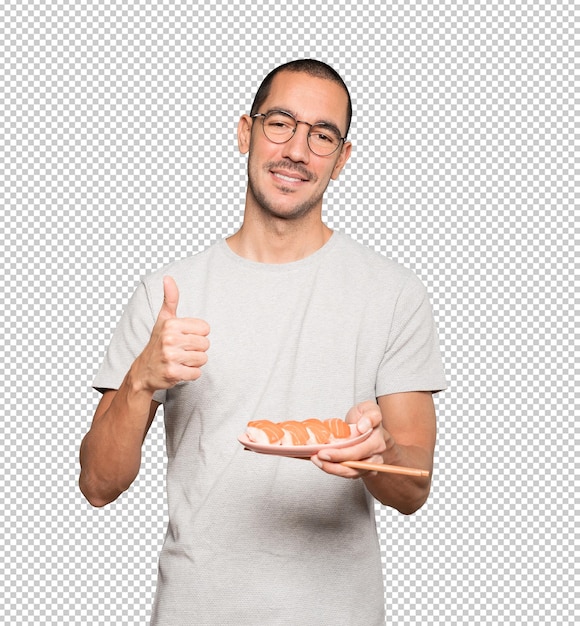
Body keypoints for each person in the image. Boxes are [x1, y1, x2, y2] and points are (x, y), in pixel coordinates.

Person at [79, 59, 447, 625]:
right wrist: (140, 380)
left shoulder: (395, 293)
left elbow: (414, 486)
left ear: (342, 159)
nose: (297, 150)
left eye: (322, 135)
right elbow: (98, 486)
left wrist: (379, 454)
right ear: (246, 132)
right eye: (280, 123)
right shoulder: (166, 292)